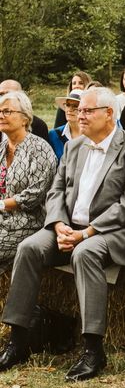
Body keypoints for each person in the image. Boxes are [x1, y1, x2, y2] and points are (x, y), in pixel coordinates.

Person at [0, 87, 125, 381]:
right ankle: (17, 340)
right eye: (79, 110)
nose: (78, 115)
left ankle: (93, 349)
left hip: (114, 231)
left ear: (109, 114)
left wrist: (86, 234)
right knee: (29, 247)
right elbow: (55, 191)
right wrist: (58, 224)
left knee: (85, 252)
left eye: (86, 110)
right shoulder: (74, 147)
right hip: (69, 226)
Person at [0, 91, 57, 273]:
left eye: (7, 111)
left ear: (25, 118)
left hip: (29, 221)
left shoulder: (40, 149)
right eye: (0, 111)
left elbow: (33, 196)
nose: (1, 115)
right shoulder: (2, 148)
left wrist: (2, 204)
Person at [48, 89, 83, 160]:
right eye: (68, 105)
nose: (70, 109)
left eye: (75, 106)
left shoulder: (91, 136)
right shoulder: (53, 135)